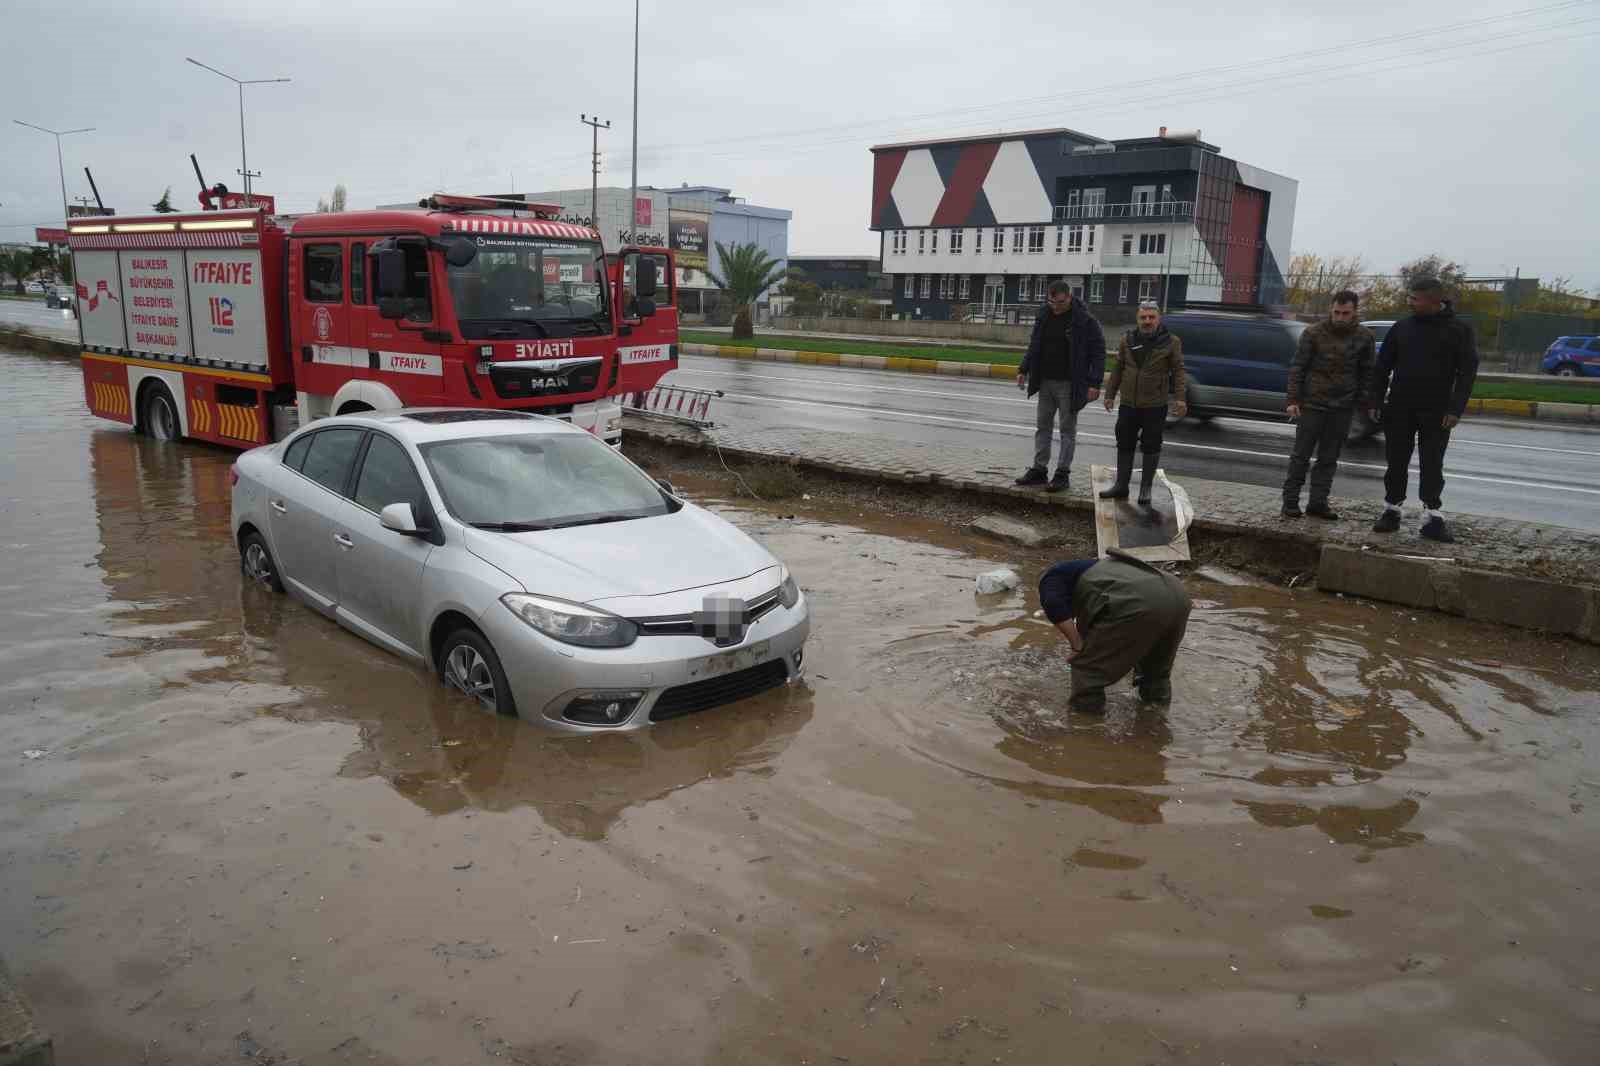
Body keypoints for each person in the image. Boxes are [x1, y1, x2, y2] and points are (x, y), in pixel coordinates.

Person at [1367, 277, 1479, 543]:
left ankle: (1432, 517)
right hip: (1400, 407)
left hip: (1437, 411)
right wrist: (1375, 401)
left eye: (1415, 299)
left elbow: (1467, 373)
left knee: (1432, 463)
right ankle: (1392, 510)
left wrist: (1455, 409)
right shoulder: (1402, 328)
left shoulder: (1459, 330)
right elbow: (1382, 367)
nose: (1410, 302)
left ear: (1433, 301)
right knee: (1396, 460)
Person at [1038, 550, 1192, 713]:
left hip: (1141, 601)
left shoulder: (1051, 578)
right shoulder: (1106, 571)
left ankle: (1085, 722)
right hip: (1178, 593)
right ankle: (1157, 716)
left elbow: (1053, 604)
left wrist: (1077, 646)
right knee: (1155, 671)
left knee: (1087, 669)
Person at [1280, 290, 1376, 520]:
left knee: (1329, 458)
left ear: (1354, 312)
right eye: (1336, 312)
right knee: (1301, 456)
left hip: (1342, 407)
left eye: (1346, 313)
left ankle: (1318, 503)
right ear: (1331, 310)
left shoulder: (1365, 337)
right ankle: (1290, 502)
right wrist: (1293, 400)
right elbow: (1298, 367)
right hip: (1312, 403)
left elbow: (1367, 372)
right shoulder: (1313, 333)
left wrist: (1363, 402)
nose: (1340, 317)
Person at [1015, 282, 1107, 493]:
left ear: (1069, 297)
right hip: (1045, 381)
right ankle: (1039, 470)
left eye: (1060, 302)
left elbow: (1098, 352)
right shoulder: (1044, 315)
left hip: (1069, 384)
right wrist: (1023, 369)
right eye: (1051, 302)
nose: (1055, 306)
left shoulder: (1085, 320)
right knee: (1043, 427)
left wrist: (1095, 382)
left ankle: (1062, 474)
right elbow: (1034, 345)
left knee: (1067, 430)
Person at [1099, 301, 1186, 505]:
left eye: (1151, 317)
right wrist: (1110, 394)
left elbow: (1178, 371)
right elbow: (1118, 368)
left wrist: (1180, 398)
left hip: (1155, 405)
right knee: (1124, 442)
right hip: (1128, 404)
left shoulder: (1171, 342)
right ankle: (1121, 485)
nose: (1147, 321)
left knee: (1151, 445)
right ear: (1137, 319)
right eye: (1143, 317)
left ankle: (1145, 488)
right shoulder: (1127, 339)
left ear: (1158, 319)